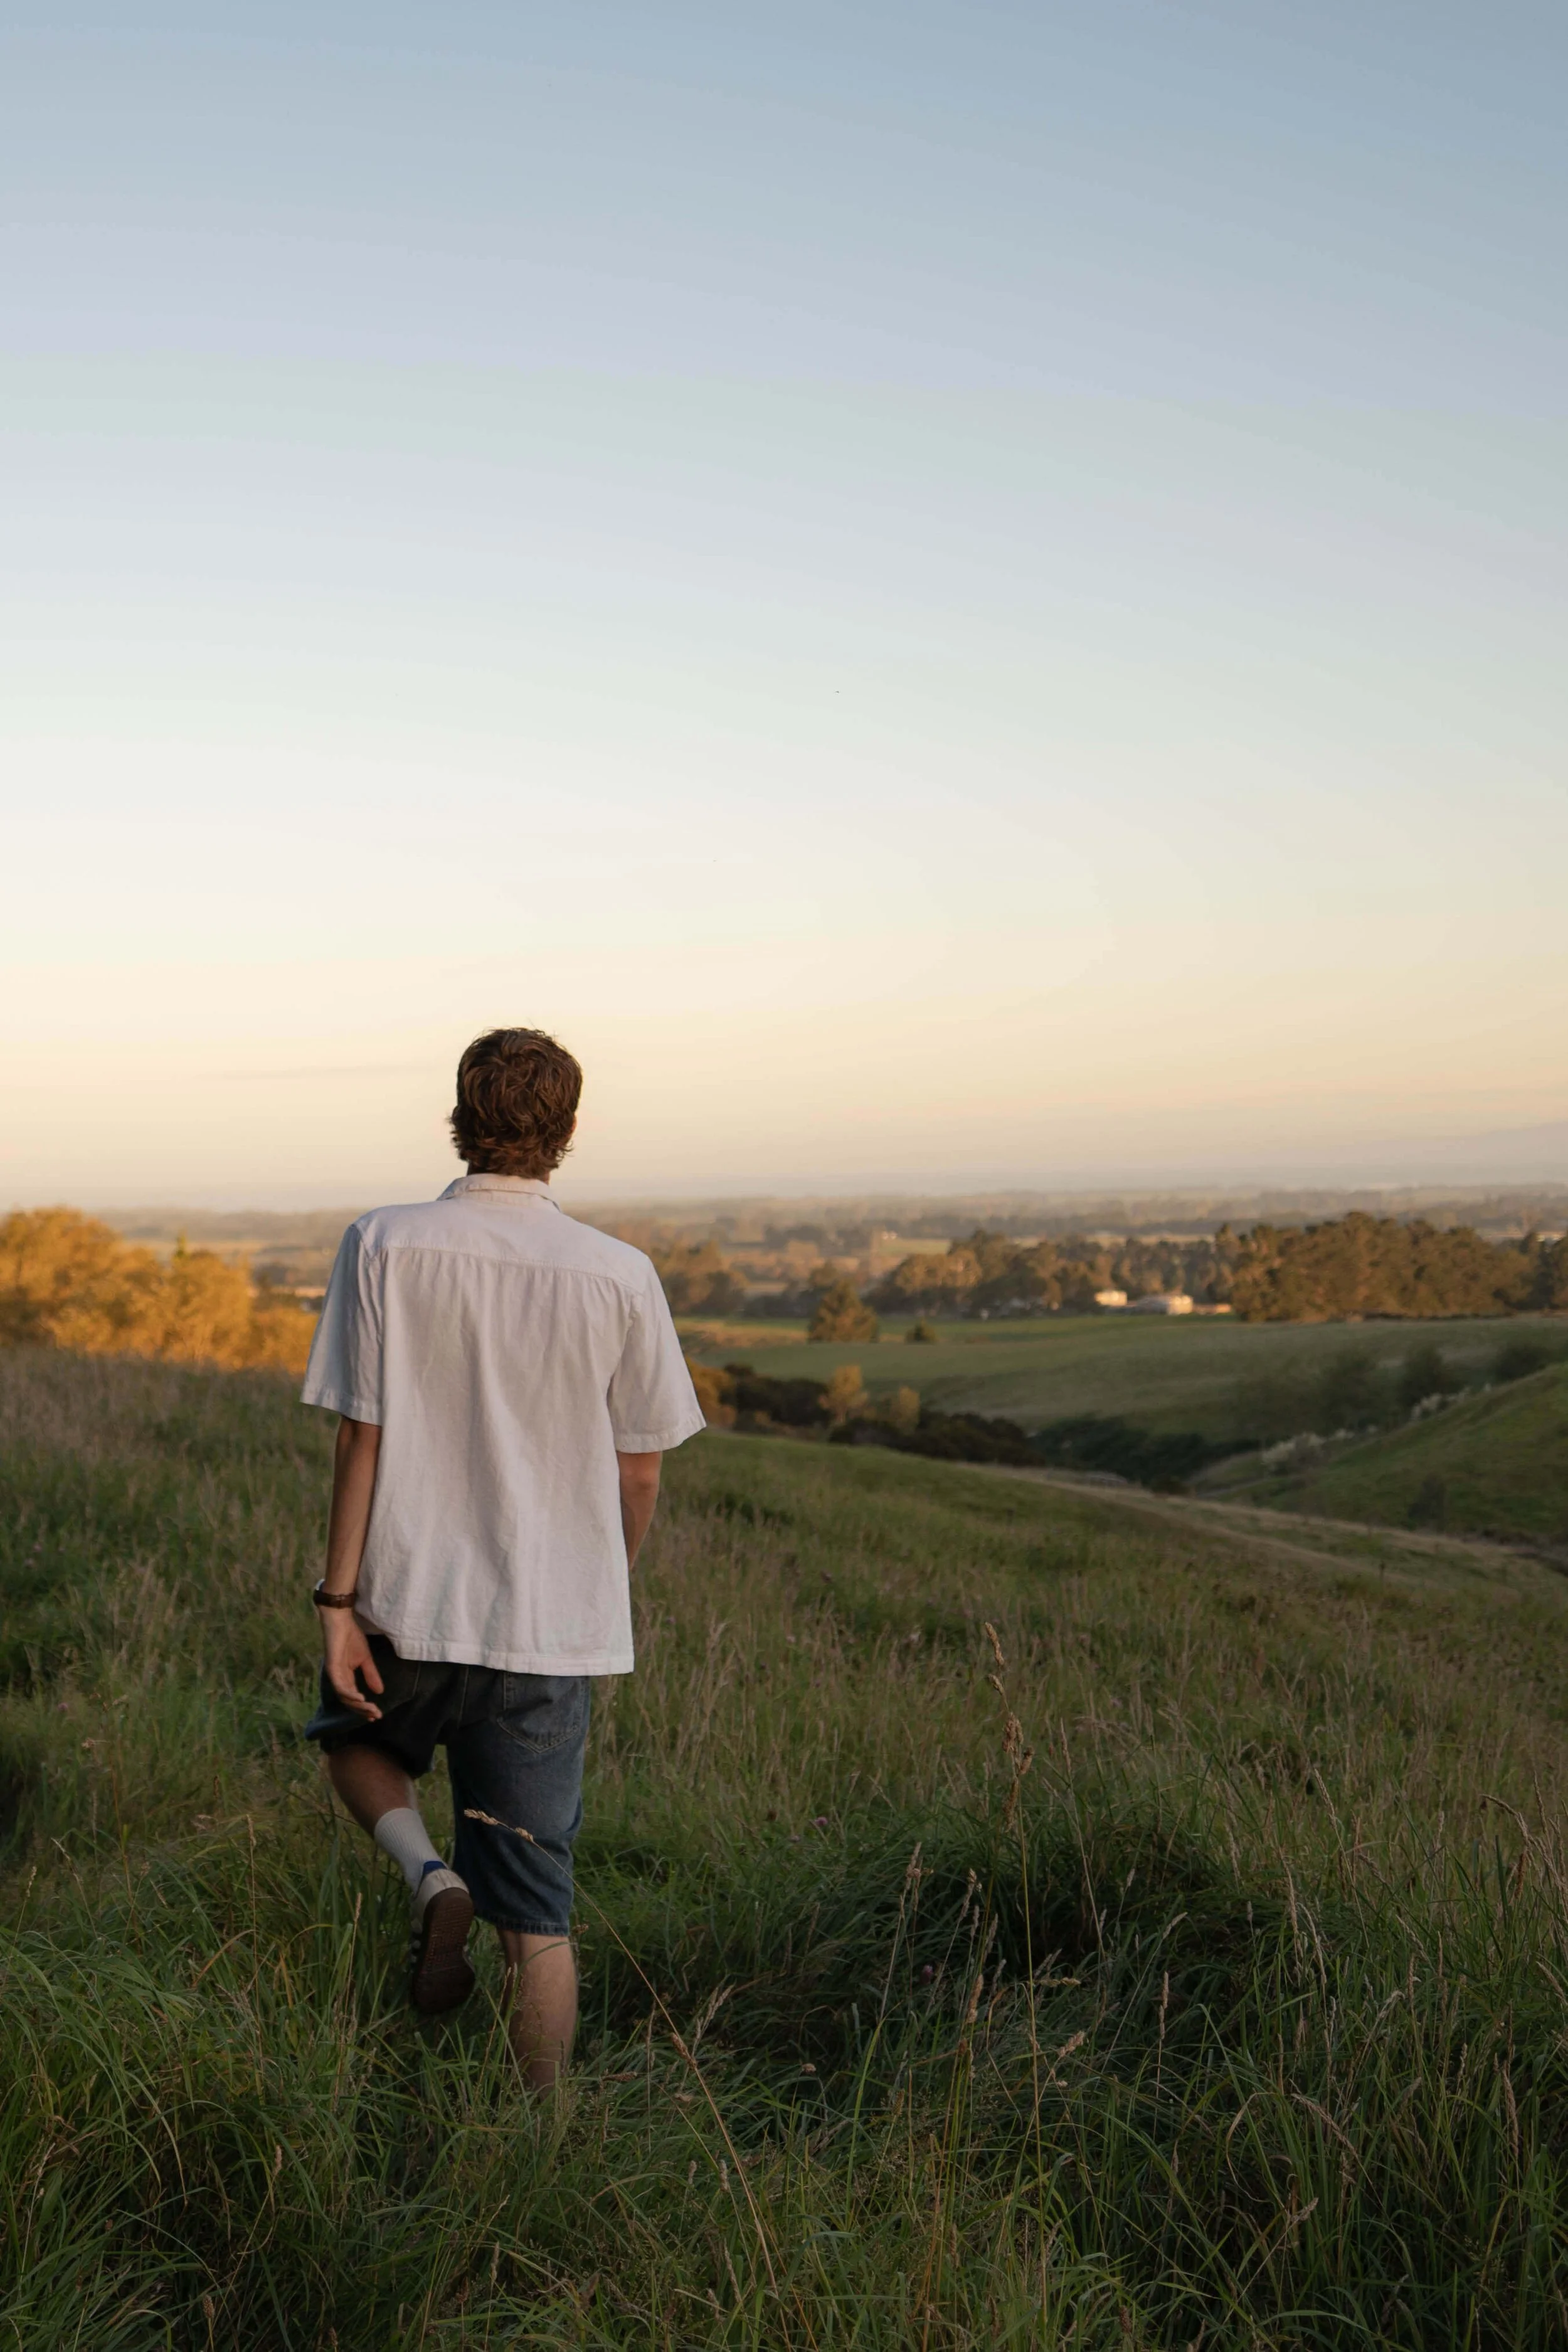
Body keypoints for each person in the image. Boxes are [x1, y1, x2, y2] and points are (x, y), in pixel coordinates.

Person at [299, 1027, 706, 2087]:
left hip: (407, 1599)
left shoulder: (383, 1241)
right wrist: (594, 1583)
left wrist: (337, 1601)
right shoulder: (622, 1275)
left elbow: (361, 1432)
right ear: (565, 1133)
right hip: (552, 1629)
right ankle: (538, 2152)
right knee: (539, 1921)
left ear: (460, 1115)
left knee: (353, 1741)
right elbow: (643, 1470)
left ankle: (430, 1873)